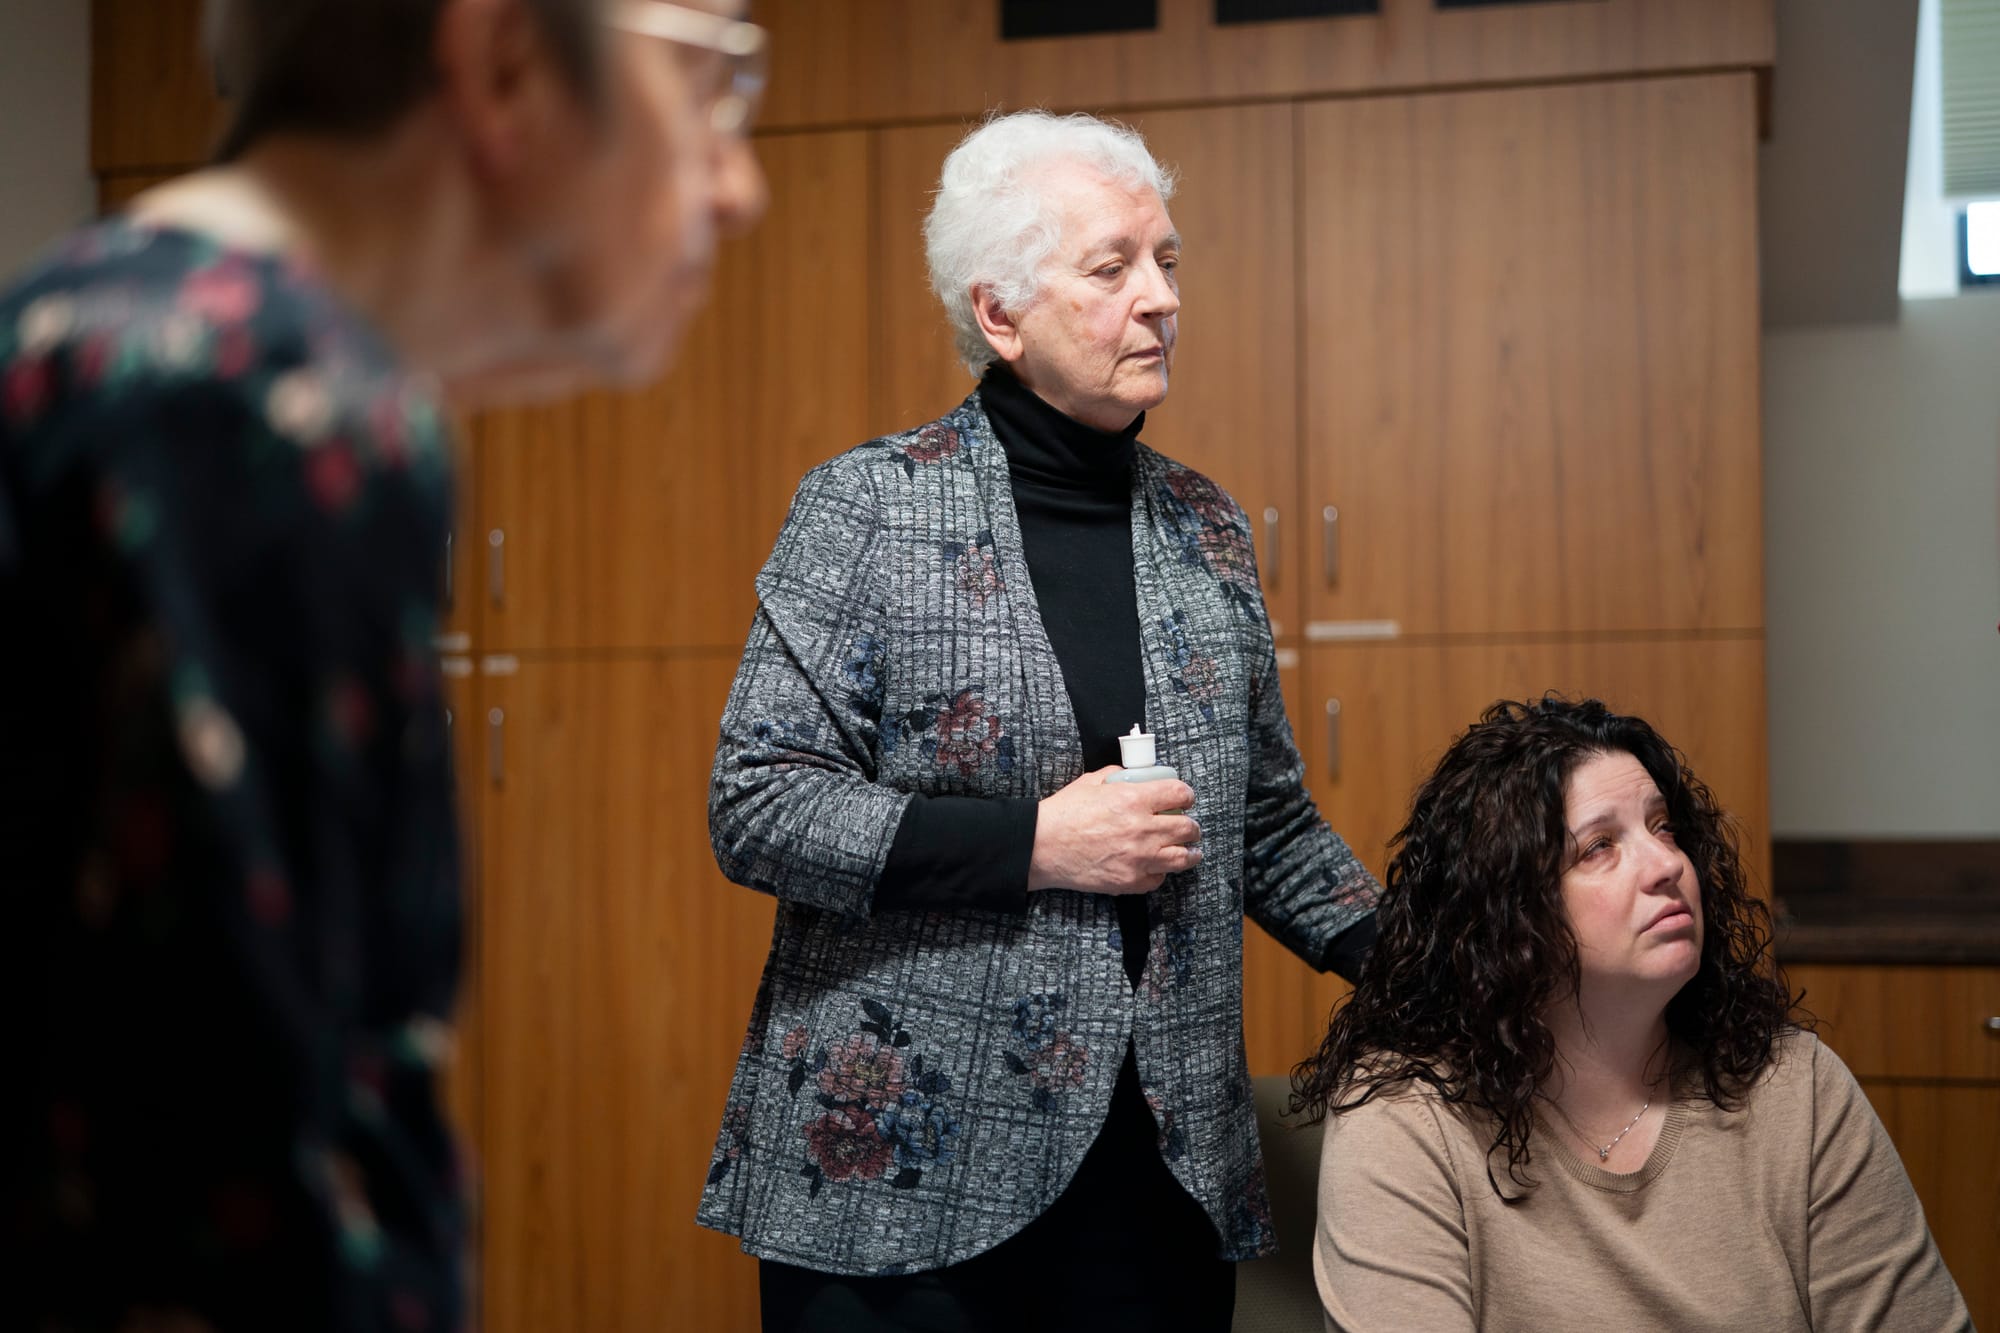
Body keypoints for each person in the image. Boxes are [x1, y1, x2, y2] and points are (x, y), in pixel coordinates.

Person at [0, 2, 765, 1329]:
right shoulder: (253, 404)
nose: (739, 187)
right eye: (710, 82)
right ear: (502, 61)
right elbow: (231, 1207)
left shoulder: (116, 335)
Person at [698, 110, 1381, 1332]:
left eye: (1166, 260)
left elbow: (1261, 822)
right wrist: (1037, 843)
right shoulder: (868, 508)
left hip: (1158, 1176)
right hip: (903, 1186)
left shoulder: (1205, 529)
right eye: (1112, 267)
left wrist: (1435, 965)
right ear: (1000, 313)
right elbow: (760, 802)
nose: (1161, 298)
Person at [1295, 697, 1971, 1332]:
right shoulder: (1407, 1118)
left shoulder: (1796, 1085)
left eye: (1663, 826)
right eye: (1599, 847)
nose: (1666, 864)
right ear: (1506, 917)